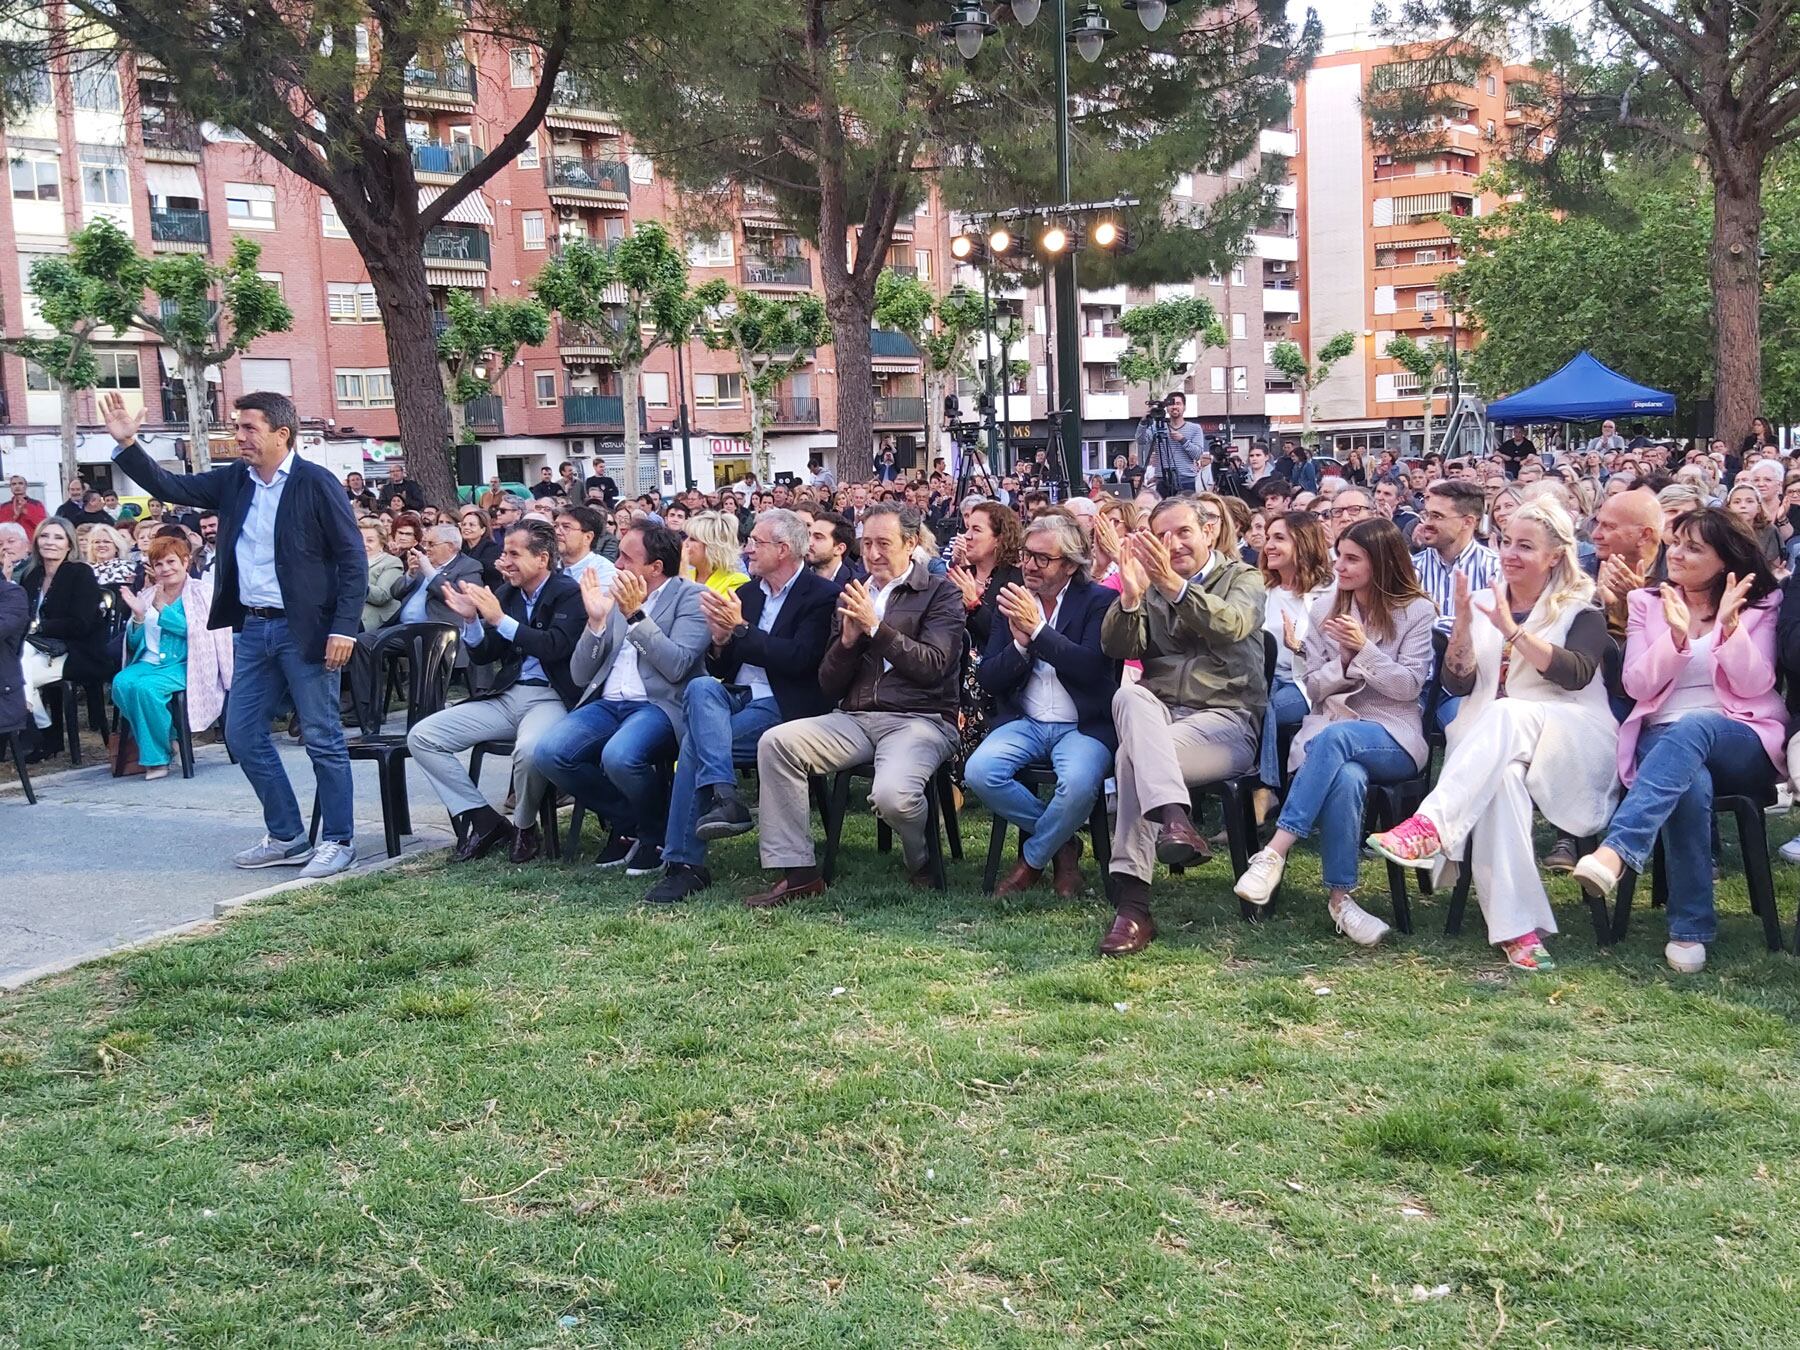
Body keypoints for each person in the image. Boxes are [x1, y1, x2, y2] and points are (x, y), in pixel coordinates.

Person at [103, 389, 367, 878]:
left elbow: (353, 560)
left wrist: (344, 628)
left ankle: (339, 839)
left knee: (323, 738)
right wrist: (128, 445)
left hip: (305, 630)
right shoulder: (235, 481)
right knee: (243, 735)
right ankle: (288, 835)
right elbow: (171, 485)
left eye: (248, 428)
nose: (238, 437)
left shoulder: (316, 483)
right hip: (252, 628)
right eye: (237, 426)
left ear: (280, 434)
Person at [1369, 501, 1619, 971]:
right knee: (1500, 781)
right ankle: (1519, 931)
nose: (1510, 553)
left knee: (1507, 713)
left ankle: (1431, 826)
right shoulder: (1486, 603)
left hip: (1571, 735)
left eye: (1526, 546)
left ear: (1555, 556)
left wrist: (1512, 631)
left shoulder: (1582, 609)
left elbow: (1577, 674)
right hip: (1494, 746)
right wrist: (1464, 624)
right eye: (1506, 541)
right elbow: (1460, 684)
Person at [1570, 509, 1785, 973]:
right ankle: (1690, 929)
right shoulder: (1650, 602)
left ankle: (1618, 850)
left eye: (1694, 547)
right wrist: (1677, 634)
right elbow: (1637, 685)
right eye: (1676, 543)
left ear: (1725, 558)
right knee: (1690, 783)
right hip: (1661, 735)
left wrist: (1729, 628)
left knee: (1696, 727)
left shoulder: (1759, 602)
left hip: (1739, 734)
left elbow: (1754, 684)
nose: (1678, 555)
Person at [746, 503, 965, 907]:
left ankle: (920, 858)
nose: (873, 554)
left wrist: (876, 629)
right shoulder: (854, 593)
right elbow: (828, 683)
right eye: (866, 544)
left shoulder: (941, 592)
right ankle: (799, 873)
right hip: (855, 717)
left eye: (884, 543)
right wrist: (847, 643)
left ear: (912, 543)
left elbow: (933, 667)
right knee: (776, 742)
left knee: (893, 796)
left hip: (922, 719)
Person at [1231, 518, 1435, 942]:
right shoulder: (1325, 609)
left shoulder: (1416, 611)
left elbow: (1408, 687)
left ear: (1382, 563)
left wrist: (1364, 649)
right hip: (1333, 724)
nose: (1338, 566)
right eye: (1338, 555)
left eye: (1352, 559)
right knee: (1345, 774)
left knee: (1335, 740)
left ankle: (1274, 852)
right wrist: (1342, 664)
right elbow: (1313, 687)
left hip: (1393, 733)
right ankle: (1341, 899)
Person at [1099, 495, 1266, 956]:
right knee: (1130, 694)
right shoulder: (1148, 588)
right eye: (1162, 535)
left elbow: (1231, 625)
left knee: (1130, 757)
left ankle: (1133, 907)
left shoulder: (1243, 578)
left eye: (1183, 532)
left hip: (1225, 721)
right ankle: (1175, 818)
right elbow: (1116, 648)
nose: (1172, 544)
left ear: (1209, 532)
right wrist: (1131, 598)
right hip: (1161, 716)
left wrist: (1174, 587)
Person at [647, 509, 841, 902]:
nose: (748, 549)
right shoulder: (748, 594)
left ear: (783, 549)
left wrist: (739, 630)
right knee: (702, 684)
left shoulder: (822, 595)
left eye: (757, 543)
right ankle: (725, 797)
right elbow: (725, 665)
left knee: (694, 745)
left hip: (785, 704)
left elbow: (800, 660)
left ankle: (686, 865)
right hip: (738, 696)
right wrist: (720, 640)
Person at [409, 521, 586, 864]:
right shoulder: (507, 593)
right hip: (507, 695)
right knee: (423, 736)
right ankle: (483, 819)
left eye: (513, 553)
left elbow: (555, 646)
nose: (503, 561)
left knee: (531, 750)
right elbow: (484, 654)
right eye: (504, 552)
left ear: (542, 558)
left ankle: (523, 827)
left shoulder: (568, 593)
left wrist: (499, 619)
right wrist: (473, 621)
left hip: (550, 697)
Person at [533, 522, 706, 874]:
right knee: (549, 753)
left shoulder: (691, 597)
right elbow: (581, 675)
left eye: (627, 557)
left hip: (658, 704)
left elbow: (677, 666)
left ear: (655, 568)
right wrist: (596, 623)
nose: (618, 564)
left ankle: (655, 833)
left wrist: (634, 615)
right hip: (609, 703)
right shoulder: (615, 594)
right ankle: (630, 821)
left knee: (619, 756)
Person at [966, 512, 1119, 897]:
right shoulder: (1014, 599)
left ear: (1069, 564)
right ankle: (1064, 844)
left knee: (1079, 783)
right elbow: (988, 677)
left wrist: (1037, 631)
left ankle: (1033, 859)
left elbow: (1090, 668)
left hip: (1082, 724)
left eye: (1041, 558)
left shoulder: (1099, 601)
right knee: (981, 772)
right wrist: (1019, 644)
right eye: (1025, 555)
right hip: (1026, 720)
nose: (1029, 565)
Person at [111, 535, 233, 780]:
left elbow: (202, 633)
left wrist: (163, 610)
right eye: (159, 564)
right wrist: (137, 616)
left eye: (171, 561)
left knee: (146, 689)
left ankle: (157, 758)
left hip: (187, 664)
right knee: (121, 683)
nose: (165, 569)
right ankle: (170, 740)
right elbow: (134, 645)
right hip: (149, 661)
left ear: (185, 562)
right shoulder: (146, 595)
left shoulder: (203, 592)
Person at [348, 523, 483, 733]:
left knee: (425, 647)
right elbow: (396, 593)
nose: (425, 548)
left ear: (450, 546)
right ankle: (367, 713)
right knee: (363, 642)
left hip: (438, 633)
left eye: (431, 544)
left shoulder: (469, 567)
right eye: (425, 543)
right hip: (403, 629)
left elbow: (458, 598)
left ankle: (425, 714)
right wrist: (411, 574)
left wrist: (429, 572)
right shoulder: (424, 564)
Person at [945, 501, 1025, 780]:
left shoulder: (1014, 580)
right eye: (967, 529)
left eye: (976, 530)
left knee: (969, 672)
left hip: (998, 671)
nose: (967, 536)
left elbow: (1004, 635)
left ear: (999, 539)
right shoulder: (959, 576)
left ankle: (957, 776)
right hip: (952, 664)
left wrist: (975, 605)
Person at [1257, 511, 1334, 791]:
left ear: (1303, 544)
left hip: (1306, 683)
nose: (1269, 546)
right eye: (1267, 539)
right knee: (1250, 703)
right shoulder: (1262, 589)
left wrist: (1299, 648)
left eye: (1279, 538)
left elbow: (1337, 654)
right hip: (1265, 679)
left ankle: (1266, 790)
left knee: (1269, 709)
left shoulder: (1331, 592)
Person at [17, 517, 109, 745]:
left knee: (15, 678)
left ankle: (37, 734)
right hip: (36, 650)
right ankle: (46, 730)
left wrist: (39, 627)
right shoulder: (32, 574)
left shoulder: (80, 573)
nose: (50, 542)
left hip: (77, 651)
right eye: (45, 536)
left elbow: (81, 624)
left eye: (58, 537)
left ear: (69, 545)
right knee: (15, 671)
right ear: (37, 541)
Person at [1411, 478, 1500, 652]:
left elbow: (1491, 632)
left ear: (1467, 522)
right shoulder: (1410, 568)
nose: (1427, 523)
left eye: (1437, 516)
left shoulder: (1494, 568)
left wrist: (1429, 624)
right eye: (1426, 515)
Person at [1135, 392, 1208, 494]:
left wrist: (1183, 440)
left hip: (1186, 479)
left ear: (1184, 407)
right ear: (1166, 408)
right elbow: (1141, 440)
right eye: (1171, 404)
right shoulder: (1157, 426)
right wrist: (1143, 421)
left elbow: (1197, 455)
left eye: (1178, 404)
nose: (1174, 407)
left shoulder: (1195, 428)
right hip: (1163, 480)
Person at [682, 510, 750, 595]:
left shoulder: (736, 582)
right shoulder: (687, 575)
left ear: (712, 547)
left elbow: (693, 606)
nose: (684, 543)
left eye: (692, 539)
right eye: (686, 538)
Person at [552, 505, 618, 590]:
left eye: (566, 527)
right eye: (555, 526)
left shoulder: (604, 574)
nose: (557, 532)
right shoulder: (550, 569)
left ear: (588, 537)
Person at [358, 518, 405, 633]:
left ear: (381, 543)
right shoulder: (349, 560)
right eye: (360, 539)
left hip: (369, 619)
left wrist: (354, 581)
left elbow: (382, 596)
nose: (364, 544)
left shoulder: (391, 562)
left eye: (370, 541)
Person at [806, 511, 861, 585]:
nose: (809, 542)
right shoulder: (794, 574)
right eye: (809, 535)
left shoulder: (855, 585)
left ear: (839, 549)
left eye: (818, 537)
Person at [457, 506, 503, 587]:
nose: (466, 528)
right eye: (464, 524)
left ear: (483, 530)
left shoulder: (492, 549)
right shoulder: (459, 549)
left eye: (472, 525)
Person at [4, 475, 45, 539]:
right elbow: (2, 527)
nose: (17, 486)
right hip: (11, 544)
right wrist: (15, 516)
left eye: (20, 483)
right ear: (10, 487)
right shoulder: (4, 507)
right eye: (14, 484)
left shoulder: (36, 504)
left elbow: (42, 526)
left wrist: (25, 512)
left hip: (31, 544)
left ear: (26, 486)